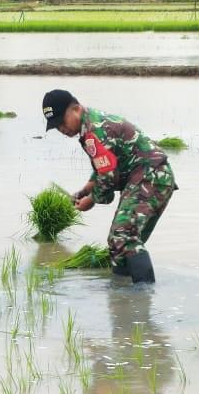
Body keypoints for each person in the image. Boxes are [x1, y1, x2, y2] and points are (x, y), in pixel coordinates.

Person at [41, 89, 176, 284]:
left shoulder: (94, 131)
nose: (61, 128)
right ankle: (123, 297)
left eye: (62, 121)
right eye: (56, 127)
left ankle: (142, 298)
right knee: (118, 244)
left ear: (76, 109)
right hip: (147, 178)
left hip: (151, 177)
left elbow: (108, 176)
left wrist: (92, 200)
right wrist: (86, 189)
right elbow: (105, 165)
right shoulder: (90, 125)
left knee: (124, 236)